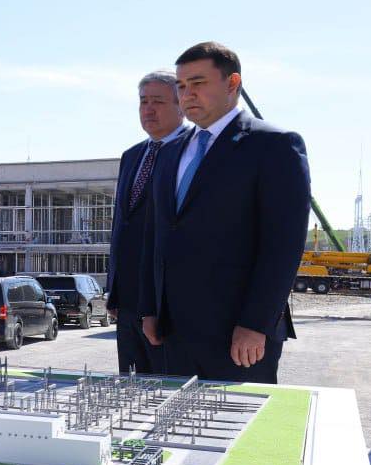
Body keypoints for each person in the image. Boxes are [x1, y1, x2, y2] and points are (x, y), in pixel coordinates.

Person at [139, 43, 311, 383]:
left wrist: (256, 324)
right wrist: (149, 309)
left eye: (198, 83)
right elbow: (155, 236)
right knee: (176, 418)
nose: (187, 94)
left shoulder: (274, 145)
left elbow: (283, 246)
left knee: (238, 417)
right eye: (181, 86)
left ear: (232, 83)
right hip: (173, 332)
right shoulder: (170, 152)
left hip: (238, 336)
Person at [106, 70, 188, 374]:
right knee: (132, 388)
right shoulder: (132, 156)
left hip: (168, 304)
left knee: (170, 390)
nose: (148, 110)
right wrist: (114, 290)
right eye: (143, 102)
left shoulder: (192, 152)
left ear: (181, 106)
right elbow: (122, 225)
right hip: (128, 302)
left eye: (158, 102)